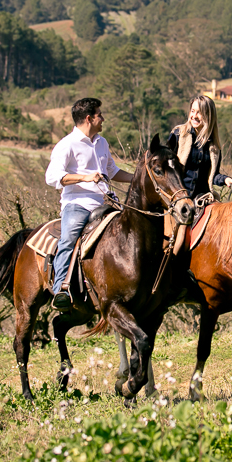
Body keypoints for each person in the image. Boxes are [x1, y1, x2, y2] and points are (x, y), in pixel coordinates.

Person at [45, 98, 133, 311]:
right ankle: (61, 290)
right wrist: (84, 178)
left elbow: (112, 171)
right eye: (99, 115)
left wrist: (138, 178)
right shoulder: (67, 144)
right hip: (78, 204)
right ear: (89, 118)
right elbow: (51, 177)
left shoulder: (102, 142)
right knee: (68, 239)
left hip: (107, 202)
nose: (103, 118)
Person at [169, 95, 232, 202]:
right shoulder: (178, 134)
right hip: (179, 198)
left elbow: (212, 176)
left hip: (203, 198)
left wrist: (225, 179)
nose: (194, 116)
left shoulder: (214, 146)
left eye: (199, 113)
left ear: (209, 116)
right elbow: (166, 167)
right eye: (192, 111)